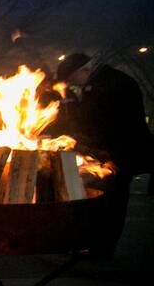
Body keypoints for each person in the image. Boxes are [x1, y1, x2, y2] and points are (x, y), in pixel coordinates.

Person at [49, 52, 152, 256]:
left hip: (121, 153)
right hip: (112, 152)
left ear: (82, 70)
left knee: (111, 201)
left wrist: (100, 151)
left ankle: (102, 248)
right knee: (104, 199)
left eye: (71, 79)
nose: (71, 84)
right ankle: (96, 245)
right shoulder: (100, 83)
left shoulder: (112, 85)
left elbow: (112, 123)